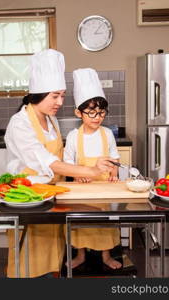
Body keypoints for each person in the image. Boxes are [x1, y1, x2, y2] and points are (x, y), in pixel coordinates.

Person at [4, 50, 114, 278]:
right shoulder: (20, 123)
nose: (60, 102)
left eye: (62, 95)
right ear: (38, 93)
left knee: (54, 255)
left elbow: (61, 157)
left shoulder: (50, 119)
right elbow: (48, 161)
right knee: (29, 258)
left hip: (53, 195)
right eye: (55, 96)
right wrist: (90, 170)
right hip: (29, 198)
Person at [63, 68, 122, 270]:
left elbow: (114, 159)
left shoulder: (107, 134)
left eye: (101, 112)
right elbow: (67, 165)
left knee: (104, 222)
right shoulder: (73, 136)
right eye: (91, 113)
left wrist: (113, 174)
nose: (97, 117)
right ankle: (80, 255)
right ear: (78, 113)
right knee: (81, 224)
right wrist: (79, 176)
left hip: (104, 188)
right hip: (82, 191)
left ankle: (105, 256)